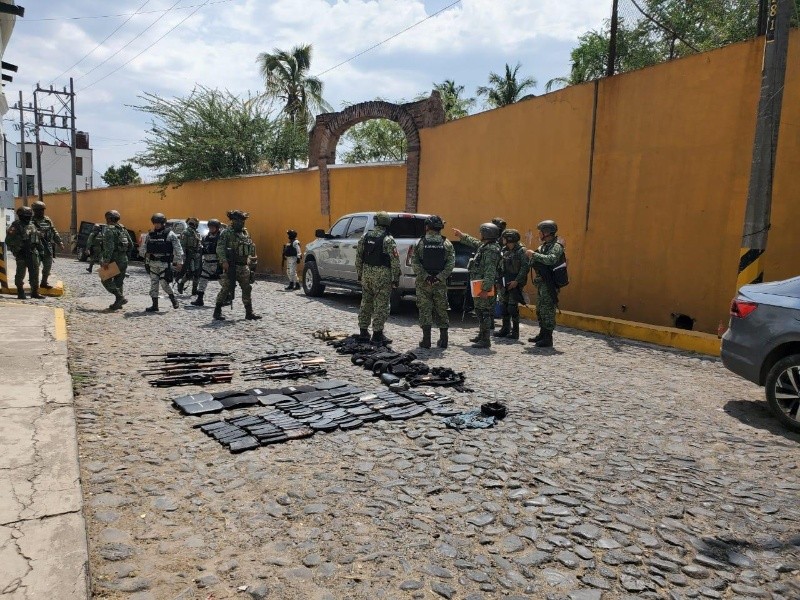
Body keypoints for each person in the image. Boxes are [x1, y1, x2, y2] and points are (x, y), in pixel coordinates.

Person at [453, 222, 501, 349]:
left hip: (484, 285)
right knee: (479, 311)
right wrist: (462, 236)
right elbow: (474, 242)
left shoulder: (491, 250)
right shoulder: (486, 246)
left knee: (484, 312)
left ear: (486, 234)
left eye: (481, 232)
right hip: (478, 283)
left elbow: (490, 271)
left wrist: (486, 289)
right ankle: (481, 335)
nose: (480, 234)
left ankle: (485, 340)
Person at [355, 211, 400, 345]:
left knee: (366, 303)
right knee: (381, 305)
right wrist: (395, 278)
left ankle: (363, 332)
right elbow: (395, 261)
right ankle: (377, 335)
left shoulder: (365, 236)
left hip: (366, 275)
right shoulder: (388, 239)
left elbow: (359, 257)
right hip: (382, 277)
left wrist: (360, 273)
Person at [412, 215, 455, 349]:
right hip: (439, 283)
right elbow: (451, 264)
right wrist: (439, 277)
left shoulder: (420, 242)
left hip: (423, 283)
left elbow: (415, 263)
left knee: (425, 309)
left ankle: (426, 341)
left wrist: (426, 277)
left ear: (427, 227)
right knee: (442, 309)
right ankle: (444, 340)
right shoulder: (447, 243)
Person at [213, 210, 261, 321]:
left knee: (247, 288)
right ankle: (217, 311)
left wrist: (252, 259)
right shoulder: (226, 233)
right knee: (226, 288)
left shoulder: (245, 233)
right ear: (233, 221)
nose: (241, 223)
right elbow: (220, 248)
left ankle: (249, 312)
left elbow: (250, 246)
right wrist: (224, 261)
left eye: (243, 221)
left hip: (244, 266)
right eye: (239, 221)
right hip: (231, 266)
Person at [526, 220, 565, 348]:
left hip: (549, 283)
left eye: (540, 232)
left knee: (547, 310)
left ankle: (548, 338)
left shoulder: (556, 246)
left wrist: (534, 255)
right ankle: (542, 334)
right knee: (540, 310)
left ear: (547, 232)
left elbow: (551, 259)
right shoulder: (544, 246)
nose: (539, 234)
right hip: (542, 283)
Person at [140, 213, 184, 312]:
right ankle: (154, 305)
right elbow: (144, 249)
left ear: (163, 223)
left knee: (164, 284)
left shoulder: (170, 234)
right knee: (154, 284)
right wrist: (146, 259)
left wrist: (179, 262)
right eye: (155, 223)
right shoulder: (150, 235)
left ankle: (173, 299)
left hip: (164, 264)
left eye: (158, 223)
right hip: (152, 263)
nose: (156, 225)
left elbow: (178, 249)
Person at [494, 229, 528, 340]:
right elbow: (500, 266)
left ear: (509, 239)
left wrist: (517, 281)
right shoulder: (504, 250)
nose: (502, 240)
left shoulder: (521, 251)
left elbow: (525, 267)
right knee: (504, 306)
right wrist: (498, 281)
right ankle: (505, 328)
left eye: (504, 238)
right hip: (505, 281)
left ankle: (515, 331)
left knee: (512, 307)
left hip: (515, 283)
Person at [5, 206, 44, 299]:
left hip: (33, 252)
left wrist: (41, 250)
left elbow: (37, 239)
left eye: (29, 216)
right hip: (22, 253)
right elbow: (8, 240)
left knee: (35, 272)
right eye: (26, 216)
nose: (28, 218)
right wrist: (20, 243)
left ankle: (35, 292)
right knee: (20, 273)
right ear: (21, 216)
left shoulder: (32, 225)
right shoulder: (15, 226)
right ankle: (20, 291)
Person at [100, 209, 135, 310]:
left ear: (108, 219)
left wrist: (106, 261)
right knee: (119, 281)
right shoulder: (122, 229)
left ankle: (119, 297)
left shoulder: (109, 230)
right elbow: (131, 245)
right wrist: (124, 254)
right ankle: (118, 303)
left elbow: (109, 248)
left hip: (113, 259)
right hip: (123, 259)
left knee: (104, 279)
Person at [31, 200, 64, 289]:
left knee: (48, 265)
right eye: (39, 210)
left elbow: (53, 231)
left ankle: (44, 282)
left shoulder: (47, 220)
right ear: (35, 210)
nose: (41, 211)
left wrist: (59, 242)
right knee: (35, 267)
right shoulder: (30, 221)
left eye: (42, 210)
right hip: (35, 247)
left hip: (47, 246)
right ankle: (34, 285)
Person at [191, 218, 222, 307]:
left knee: (222, 281)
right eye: (210, 227)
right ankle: (199, 299)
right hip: (207, 262)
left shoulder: (221, 238)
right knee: (202, 280)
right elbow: (201, 248)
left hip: (217, 263)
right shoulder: (205, 238)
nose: (211, 229)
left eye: (213, 227)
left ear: (217, 228)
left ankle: (227, 297)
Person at [177, 217, 201, 295]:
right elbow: (182, 246)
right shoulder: (186, 232)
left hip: (196, 255)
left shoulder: (196, 233)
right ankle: (181, 284)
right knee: (191, 272)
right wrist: (183, 258)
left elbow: (199, 244)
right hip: (189, 255)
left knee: (197, 273)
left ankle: (194, 290)